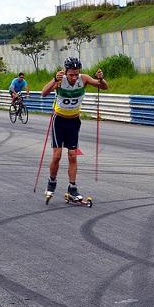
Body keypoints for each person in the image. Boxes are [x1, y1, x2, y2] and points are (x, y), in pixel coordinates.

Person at [41, 57, 108, 201]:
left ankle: (72, 188)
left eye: (76, 74)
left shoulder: (83, 79)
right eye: (71, 74)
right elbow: (44, 93)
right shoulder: (60, 80)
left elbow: (103, 87)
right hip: (58, 121)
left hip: (74, 121)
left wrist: (101, 79)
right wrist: (54, 80)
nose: (74, 77)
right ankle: (51, 182)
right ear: (65, 72)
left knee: (72, 155)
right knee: (57, 155)